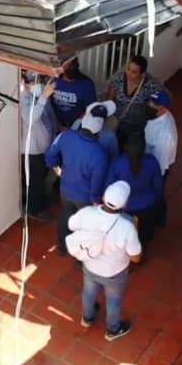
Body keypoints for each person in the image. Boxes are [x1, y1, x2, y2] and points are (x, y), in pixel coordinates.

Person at [68, 181, 141, 341]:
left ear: (103, 197)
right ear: (125, 204)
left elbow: (71, 224)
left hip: (90, 265)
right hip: (115, 273)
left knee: (88, 293)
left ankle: (87, 318)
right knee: (114, 301)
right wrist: (135, 228)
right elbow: (136, 257)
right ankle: (113, 330)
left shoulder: (87, 212)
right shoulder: (127, 226)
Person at [45, 111, 109, 256]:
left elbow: (50, 155)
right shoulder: (100, 154)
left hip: (65, 188)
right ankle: (81, 257)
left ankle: (62, 246)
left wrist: (56, 168)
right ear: (99, 131)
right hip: (85, 197)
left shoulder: (66, 135)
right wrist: (95, 201)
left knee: (66, 215)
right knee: (85, 226)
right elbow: (97, 181)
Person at [105, 134, 162, 250]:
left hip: (124, 207)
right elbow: (158, 186)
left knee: (124, 235)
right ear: (143, 148)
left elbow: (109, 185)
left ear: (125, 147)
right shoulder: (152, 162)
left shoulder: (117, 162)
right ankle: (142, 250)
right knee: (145, 234)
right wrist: (155, 200)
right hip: (147, 205)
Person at [20, 73, 57, 222]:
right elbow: (30, 119)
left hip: (44, 148)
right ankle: (35, 211)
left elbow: (50, 117)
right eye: (36, 81)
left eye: (41, 80)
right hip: (32, 151)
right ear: (26, 83)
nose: (40, 84)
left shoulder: (40, 94)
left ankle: (37, 202)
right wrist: (44, 97)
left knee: (40, 179)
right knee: (35, 182)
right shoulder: (24, 97)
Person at [106, 55, 166, 146]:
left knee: (132, 149)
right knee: (114, 145)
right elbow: (110, 100)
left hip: (136, 126)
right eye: (128, 69)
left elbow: (166, 98)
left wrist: (155, 107)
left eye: (134, 72)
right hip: (117, 122)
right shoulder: (119, 79)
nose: (128, 73)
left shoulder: (151, 85)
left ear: (142, 74)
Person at [144, 89, 178, 226]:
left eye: (154, 105)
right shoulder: (154, 116)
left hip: (158, 167)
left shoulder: (165, 135)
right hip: (148, 157)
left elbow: (160, 164)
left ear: (163, 108)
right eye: (150, 102)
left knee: (156, 194)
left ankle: (158, 219)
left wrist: (152, 177)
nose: (149, 105)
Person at [50, 58, 97, 130]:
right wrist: (58, 125)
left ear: (77, 65)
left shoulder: (86, 84)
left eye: (72, 66)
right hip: (54, 126)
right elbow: (48, 105)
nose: (70, 68)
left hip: (78, 128)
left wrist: (75, 125)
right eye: (68, 66)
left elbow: (90, 107)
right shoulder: (53, 80)